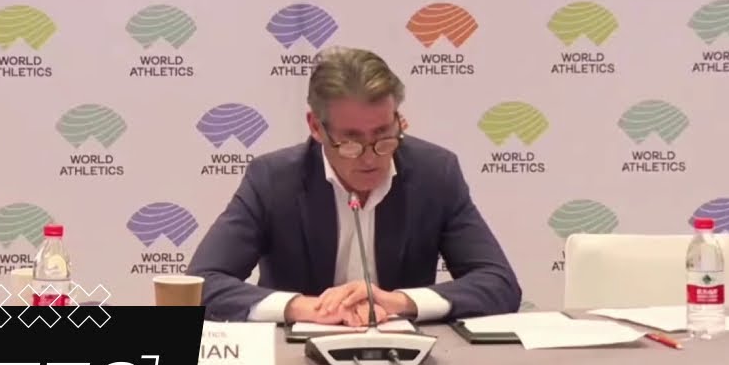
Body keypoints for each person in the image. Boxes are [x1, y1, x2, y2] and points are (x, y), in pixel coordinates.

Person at [187, 46, 520, 325]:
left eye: (384, 136)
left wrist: (399, 302)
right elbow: (199, 285)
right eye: (351, 141)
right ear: (315, 127)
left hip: (405, 361)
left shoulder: (435, 173)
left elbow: (499, 284)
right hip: (298, 364)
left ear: (397, 119)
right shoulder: (273, 180)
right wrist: (304, 308)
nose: (370, 157)